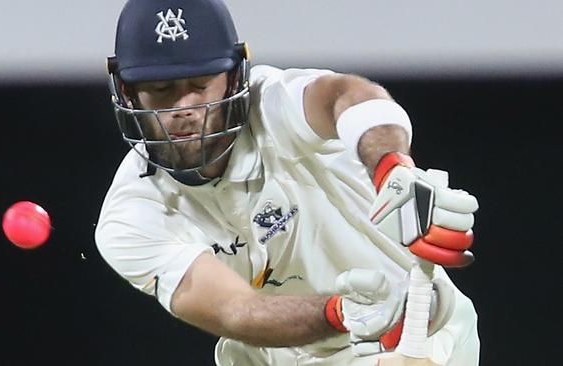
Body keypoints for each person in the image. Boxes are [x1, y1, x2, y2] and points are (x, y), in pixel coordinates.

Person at [95, 0, 480, 365]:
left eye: (199, 85)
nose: (183, 110)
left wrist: (392, 168)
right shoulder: (131, 215)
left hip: (418, 333)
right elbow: (236, 311)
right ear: (127, 91)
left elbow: (348, 95)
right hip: (276, 353)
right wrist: (343, 311)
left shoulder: (274, 103)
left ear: (233, 78)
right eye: (161, 90)